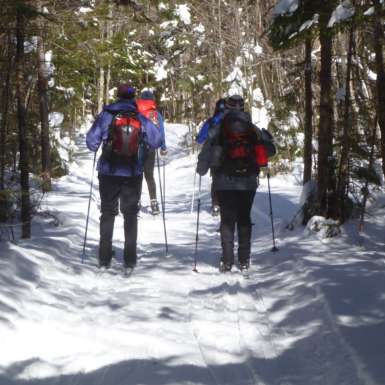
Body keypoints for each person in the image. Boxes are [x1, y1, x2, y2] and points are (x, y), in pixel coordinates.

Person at [86, 84, 162, 269]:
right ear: (133, 97)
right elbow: (156, 140)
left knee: (108, 213)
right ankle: (130, 258)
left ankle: (104, 256)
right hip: (132, 172)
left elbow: (91, 142)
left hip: (108, 172)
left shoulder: (107, 115)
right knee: (130, 214)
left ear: (118, 96)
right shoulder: (140, 117)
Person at [197, 94, 262, 272]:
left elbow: (207, 150)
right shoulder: (251, 128)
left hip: (223, 181)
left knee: (227, 220)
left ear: (227, 107)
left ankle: (227, 260)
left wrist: (201, 168)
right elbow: (268, 150)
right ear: (243, 107)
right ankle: (244, 260)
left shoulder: (218, 127)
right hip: (248, 181)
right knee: (244, 217)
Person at [136, 90, 167, 215]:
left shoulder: (136, 112)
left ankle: (136, 201)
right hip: (151, 147)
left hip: (137, 146)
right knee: (149, 175)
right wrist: (163, 147)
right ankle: (154, 203)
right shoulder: (156, 114)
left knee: (137, 175)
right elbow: (161, 132)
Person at [196, 98, 226, 216]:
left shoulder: (211, 121)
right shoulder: (232, 121)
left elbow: (201, 138)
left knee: (216, 181)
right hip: (230, 156)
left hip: (214, 157)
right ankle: (227, 204)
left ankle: (216, 205)